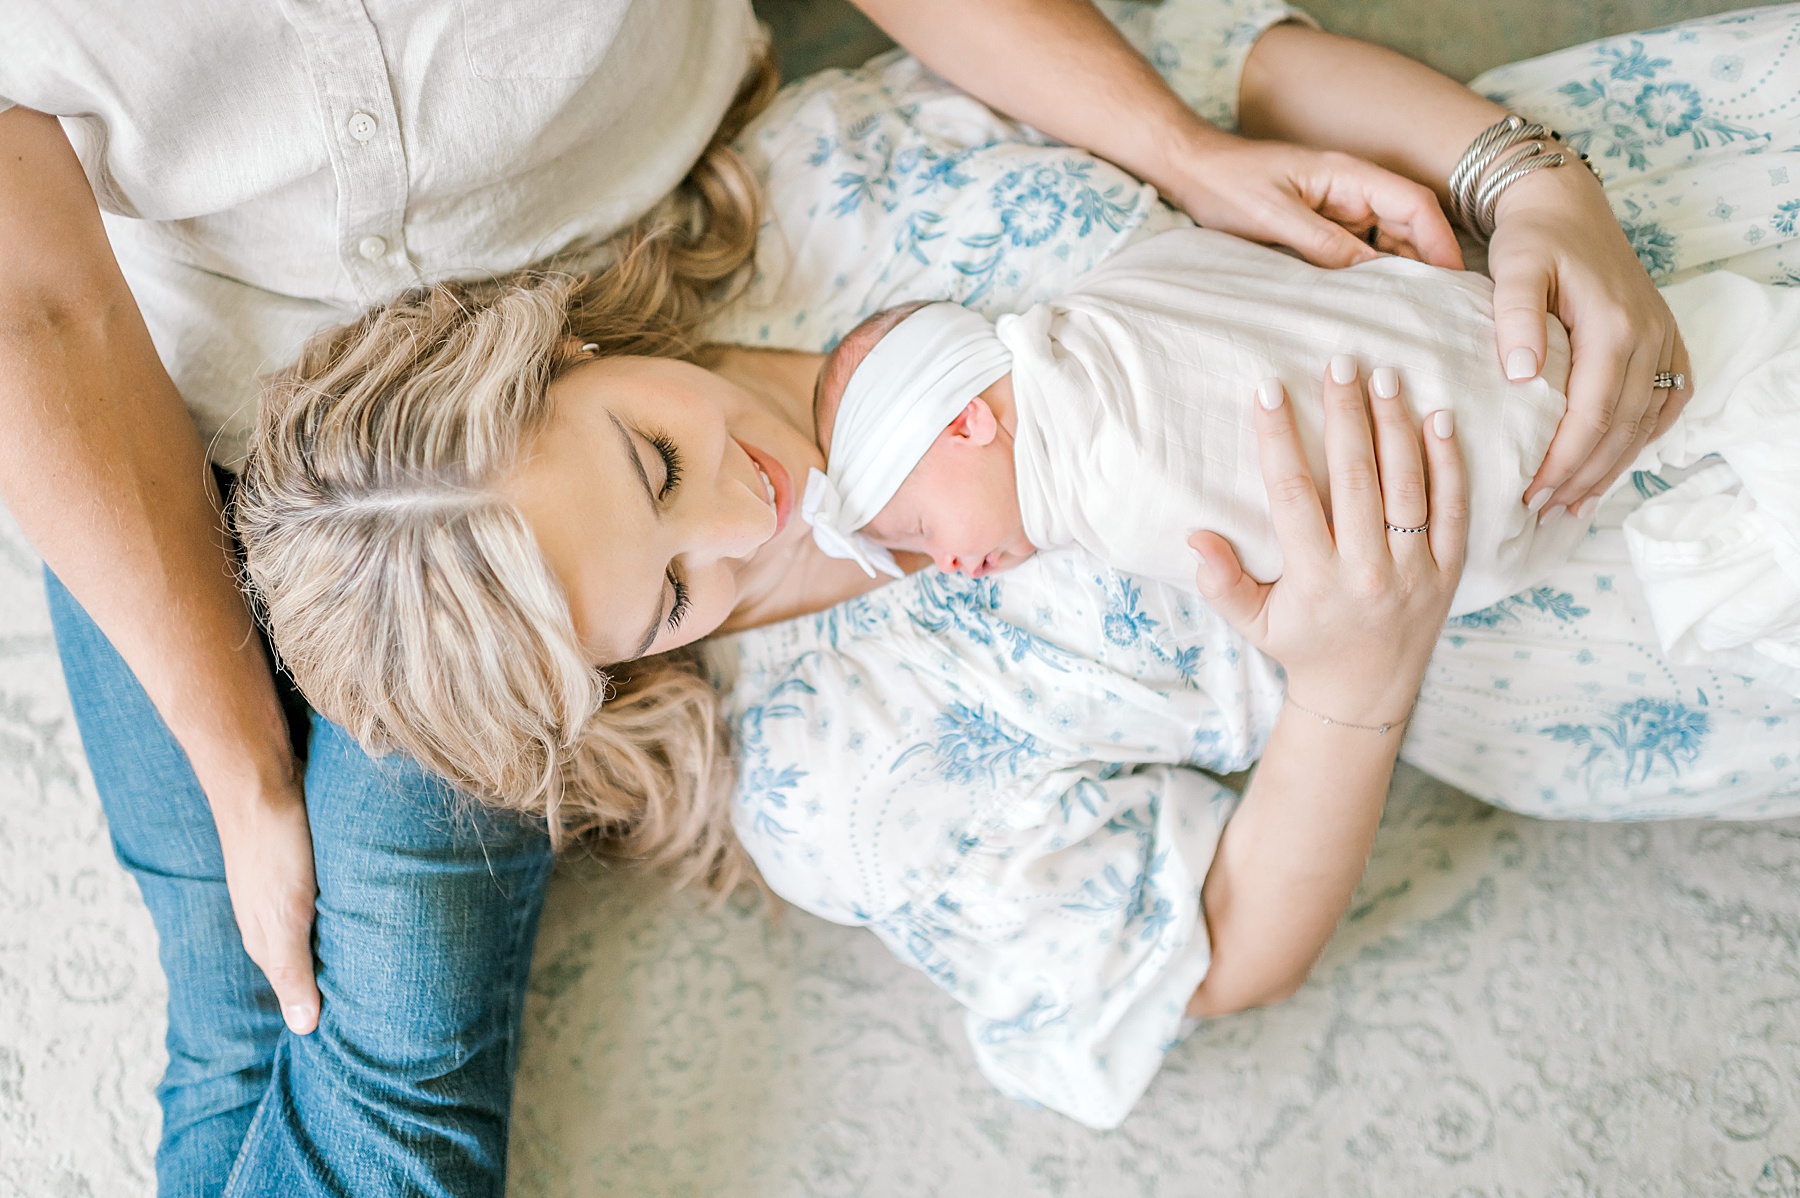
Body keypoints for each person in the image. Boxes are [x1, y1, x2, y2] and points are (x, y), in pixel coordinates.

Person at [3, 0, 1662, 1187]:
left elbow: (1234, 57)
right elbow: (1208, 944)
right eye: (672, 600)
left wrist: (1501, 170)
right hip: (268, 434)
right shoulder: (832, 762)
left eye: (663, 463)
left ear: (590, 352)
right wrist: (241, 774)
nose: (746, 521)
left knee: (323, 1046)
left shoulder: (850, 181)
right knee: (256, 1000)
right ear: (616, 674)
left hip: (515, 363)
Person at [802, 228, 1800, 674]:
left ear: (970, 420)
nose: (954, 569)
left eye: (928, 530)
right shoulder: (1115, 284)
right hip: (1488, 324)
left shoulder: (1104, 482)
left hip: (1478, 485)